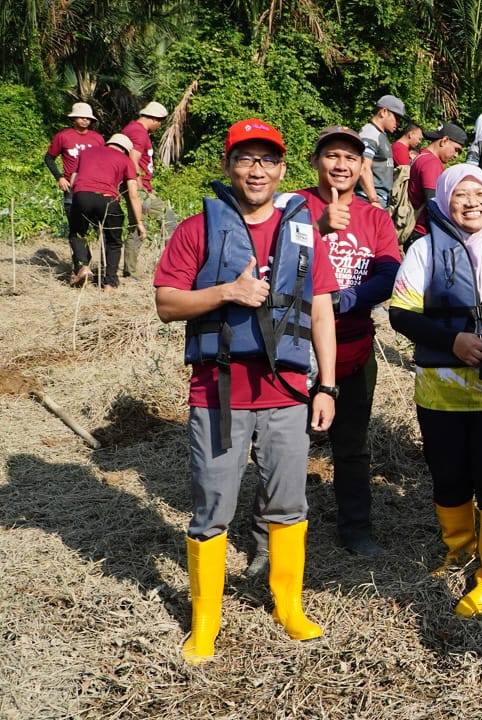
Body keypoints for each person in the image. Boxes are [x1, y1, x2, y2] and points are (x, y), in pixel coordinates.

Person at [152, 118, 338, 664]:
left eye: (267, 160)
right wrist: (228, 291)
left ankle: (288, 604)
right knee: (213, 508)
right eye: (245, 158)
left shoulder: (304, 231)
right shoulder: (197, 229)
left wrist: (325, 385)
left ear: (283, 170)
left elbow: (321, 312)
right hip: (218, 392)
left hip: (286, 391)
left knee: (288, 502)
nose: (257, 169)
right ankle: (205, 621)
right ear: (228, 166)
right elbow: (166, 303)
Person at [243, 126, 404, 570]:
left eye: (351, 158)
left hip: (353, 347)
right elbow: (265, 257)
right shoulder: (289, 205)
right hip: (292, 350)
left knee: (351, 446)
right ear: (315, 160)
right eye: (332, 155)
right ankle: (267, 537)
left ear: (362, 167)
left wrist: (344, 299)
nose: (341, 165)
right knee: (279, 448)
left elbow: (389, 275)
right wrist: (317, 228)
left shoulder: (375, 218)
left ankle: (356, 527)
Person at [389, 164, 482, 615]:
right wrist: (452, 341)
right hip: (441, 391)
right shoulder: (422, 250)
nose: (472, 202)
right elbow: (402, 314)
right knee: (449, 475)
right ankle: (458, 549)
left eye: (481, 193)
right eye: (461, 194)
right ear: (444, 201)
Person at [66, 134, 146, 288]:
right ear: (126, 150)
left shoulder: (86, 152)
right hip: (108, 199)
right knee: (113, 241)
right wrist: (139, 222)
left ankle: (83, 266)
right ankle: (110, 283)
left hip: (82, 195)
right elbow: (133, 194)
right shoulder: (125, 160)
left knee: (77, 233)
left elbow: (73, 181)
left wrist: (81, 196)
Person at [120, 100, 176, 279]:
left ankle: (131, 269)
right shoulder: (139, 133)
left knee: (137, 224)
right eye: (160, 122)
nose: (159, 126)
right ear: (155, 119)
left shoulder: (131, 129)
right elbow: (132, 159)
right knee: (166, 218)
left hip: (136, 185)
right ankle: (172, 263)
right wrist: (139, 184)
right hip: (137, 186)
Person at [46, 102, 104, 233]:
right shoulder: (63, 136)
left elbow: (104, 162)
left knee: (100, 226)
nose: (85, 120)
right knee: (76, 228)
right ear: (74, 118)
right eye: (81, 117)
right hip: (72, 187)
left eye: (88, 118)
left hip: (94, 187)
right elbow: (49, 158)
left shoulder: (98, 139)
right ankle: (81, 253)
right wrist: (59, 178)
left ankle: (100, 251)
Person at [358, 94, 406, 207]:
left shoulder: (381, 135)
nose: (398, 124)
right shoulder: (369, 134)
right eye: (396, 118)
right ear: (384, 112)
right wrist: (374, 200)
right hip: (367, 201)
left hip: (380, 200)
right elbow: (364, 168)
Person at [408, 122, 467, 213]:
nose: (456, 155)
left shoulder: (422, 156)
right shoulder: (431, 163)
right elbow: (433, 203)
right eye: (456, 149)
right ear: (445, 141)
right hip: (425, 224)